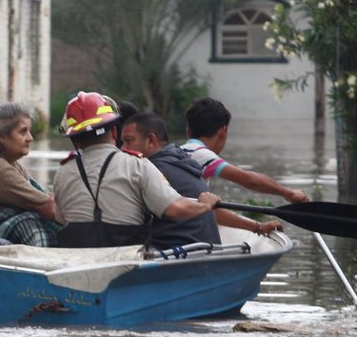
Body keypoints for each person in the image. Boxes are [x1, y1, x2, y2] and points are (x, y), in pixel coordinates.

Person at [51, 91, 219, 248]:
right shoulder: (137, 165)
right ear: (115, 132)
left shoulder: (61, 173)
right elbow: (176, 209)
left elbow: (61, 218)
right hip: (126, 262)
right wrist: (205, 205)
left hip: (76, 261)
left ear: (76, 141)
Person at [121, 111, 283, 249]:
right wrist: (258, 227)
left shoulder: (150, 170)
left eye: (129, 141)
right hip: (205, 253)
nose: (123, 149)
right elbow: (209, 208)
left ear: (151, 141)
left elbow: (250, 181)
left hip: (178, 256)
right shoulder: (183, 160)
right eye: (122, 143)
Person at [0, 102, 60, 247]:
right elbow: (47, 205)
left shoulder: (10, 162)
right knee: (28, 222)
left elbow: (41, 194)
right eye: (23, 132)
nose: (30, 138)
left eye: (29, 131)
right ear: (2, 136)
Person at [182, 97, 310, 203]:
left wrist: (258, 226)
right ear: (223, 133)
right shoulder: (202, 155)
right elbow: (251, 181)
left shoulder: (179, 151)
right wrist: (289, 193)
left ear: (188, 132)